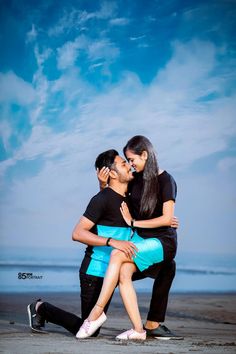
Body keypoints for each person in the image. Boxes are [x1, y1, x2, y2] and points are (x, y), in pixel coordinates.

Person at [27, 148, 180, 340]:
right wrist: (112, 241)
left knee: (167, 265)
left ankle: (153, 323)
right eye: (124, 164)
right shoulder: (102, 199)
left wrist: (167, 220)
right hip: (97, 271)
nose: (130, 166)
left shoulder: (132, 197)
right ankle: (40, 308)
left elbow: (151, 212)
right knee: (91, 330)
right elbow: (77, 233)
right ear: (113, 173)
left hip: (121, 264)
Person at [77, 136, 179, 340]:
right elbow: (109, 204)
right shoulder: (131, 184)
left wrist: (144, 222)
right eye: (126, 162)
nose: (130, 166)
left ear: (144, 155)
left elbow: (164, 216)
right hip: (121, 254)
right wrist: (102, 186)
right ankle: (139, 330)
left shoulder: (161, 181)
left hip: (156, 243)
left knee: (163, 265)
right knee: (122, 268)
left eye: (131, 160)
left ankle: (106, 315)